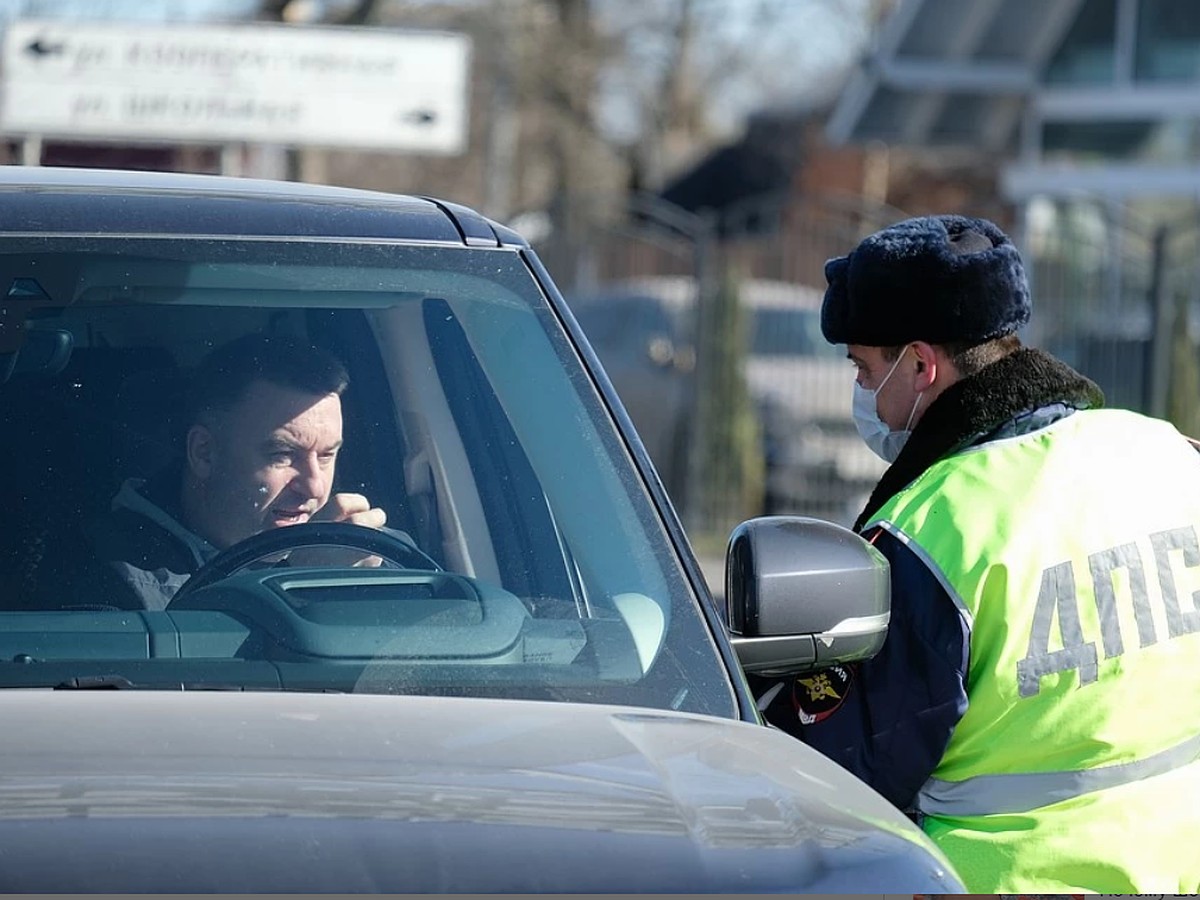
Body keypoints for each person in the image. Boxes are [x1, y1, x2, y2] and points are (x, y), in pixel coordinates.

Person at [754, 214, 1200, 893]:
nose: (861, 391)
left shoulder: (932, 533)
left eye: (864, 368)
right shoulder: (1167, 454)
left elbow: (829, 781)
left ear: (922, 365)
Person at [91, 332, 388, 610]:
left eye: (326, 455)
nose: (315, 487)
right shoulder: (113, 582)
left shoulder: (373, 554)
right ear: (204, 453)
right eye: (282, 455)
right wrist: (303, 585)